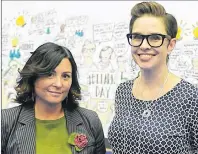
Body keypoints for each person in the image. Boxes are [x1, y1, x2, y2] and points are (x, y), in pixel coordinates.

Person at [108, 1, 198, 154]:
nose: (144, 45)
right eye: (137, 37)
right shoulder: (123, 91)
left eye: (155, 38)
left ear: (170, 45)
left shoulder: (191, 97)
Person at [1, 42, 106, 154]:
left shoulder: (90, 120)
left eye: (65, 76)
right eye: (50, 74)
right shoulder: (5, 121)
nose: (58, 84)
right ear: (33, 76)